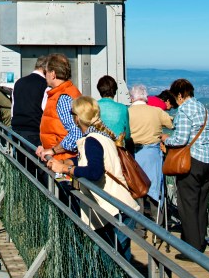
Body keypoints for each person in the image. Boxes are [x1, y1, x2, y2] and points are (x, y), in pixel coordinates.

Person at [47, 96, 138, 262]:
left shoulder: (91, 141)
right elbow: (91, 160)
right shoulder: (101, 136)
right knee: (120, 264)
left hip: (114, 209)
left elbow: (95, 171)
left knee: (112, 266)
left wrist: (65, 168)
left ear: (77, 117)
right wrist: (68, 161)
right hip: (121, 207)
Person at [163, 78, 209, 256]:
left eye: (175, 97)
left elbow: (181, 139)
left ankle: (191, 250)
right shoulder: (202, 107)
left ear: (179, 95)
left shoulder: (185, 109)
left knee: (187, 205)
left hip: (192, 162)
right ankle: (199, 242)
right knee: (202, 205)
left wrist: (166, 140)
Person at [128, 83, 173, 219]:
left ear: (132, 98)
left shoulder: (127, 112)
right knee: (155, 190)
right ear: (145, 98)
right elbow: (171, 124)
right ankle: (158, 230)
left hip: (133, 154)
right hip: (153, 154)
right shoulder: (156, 111)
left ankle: (139, 227)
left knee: (137, 189)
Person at [36, 54, 82, 163]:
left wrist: (53, 150)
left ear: (53, 74)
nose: (45, 75)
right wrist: (45, 147)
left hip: (64, 161)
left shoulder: (63, 98)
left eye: (45, 72)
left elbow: (76, 134)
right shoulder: (70, 91)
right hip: (62, 159)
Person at [11, 56, 48, 148]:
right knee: (35, 161)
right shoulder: (45, 84)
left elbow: (13, 106)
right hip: (34, 130)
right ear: (45, 69)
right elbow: (46, 109)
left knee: (19, 161)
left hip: (16, 129)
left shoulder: (19, 82)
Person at [97, 75, 130, 141]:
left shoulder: (92, 106)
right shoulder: (123, 108)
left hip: (98, 146)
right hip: (117, 147)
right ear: (115, 90)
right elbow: (127, 135)